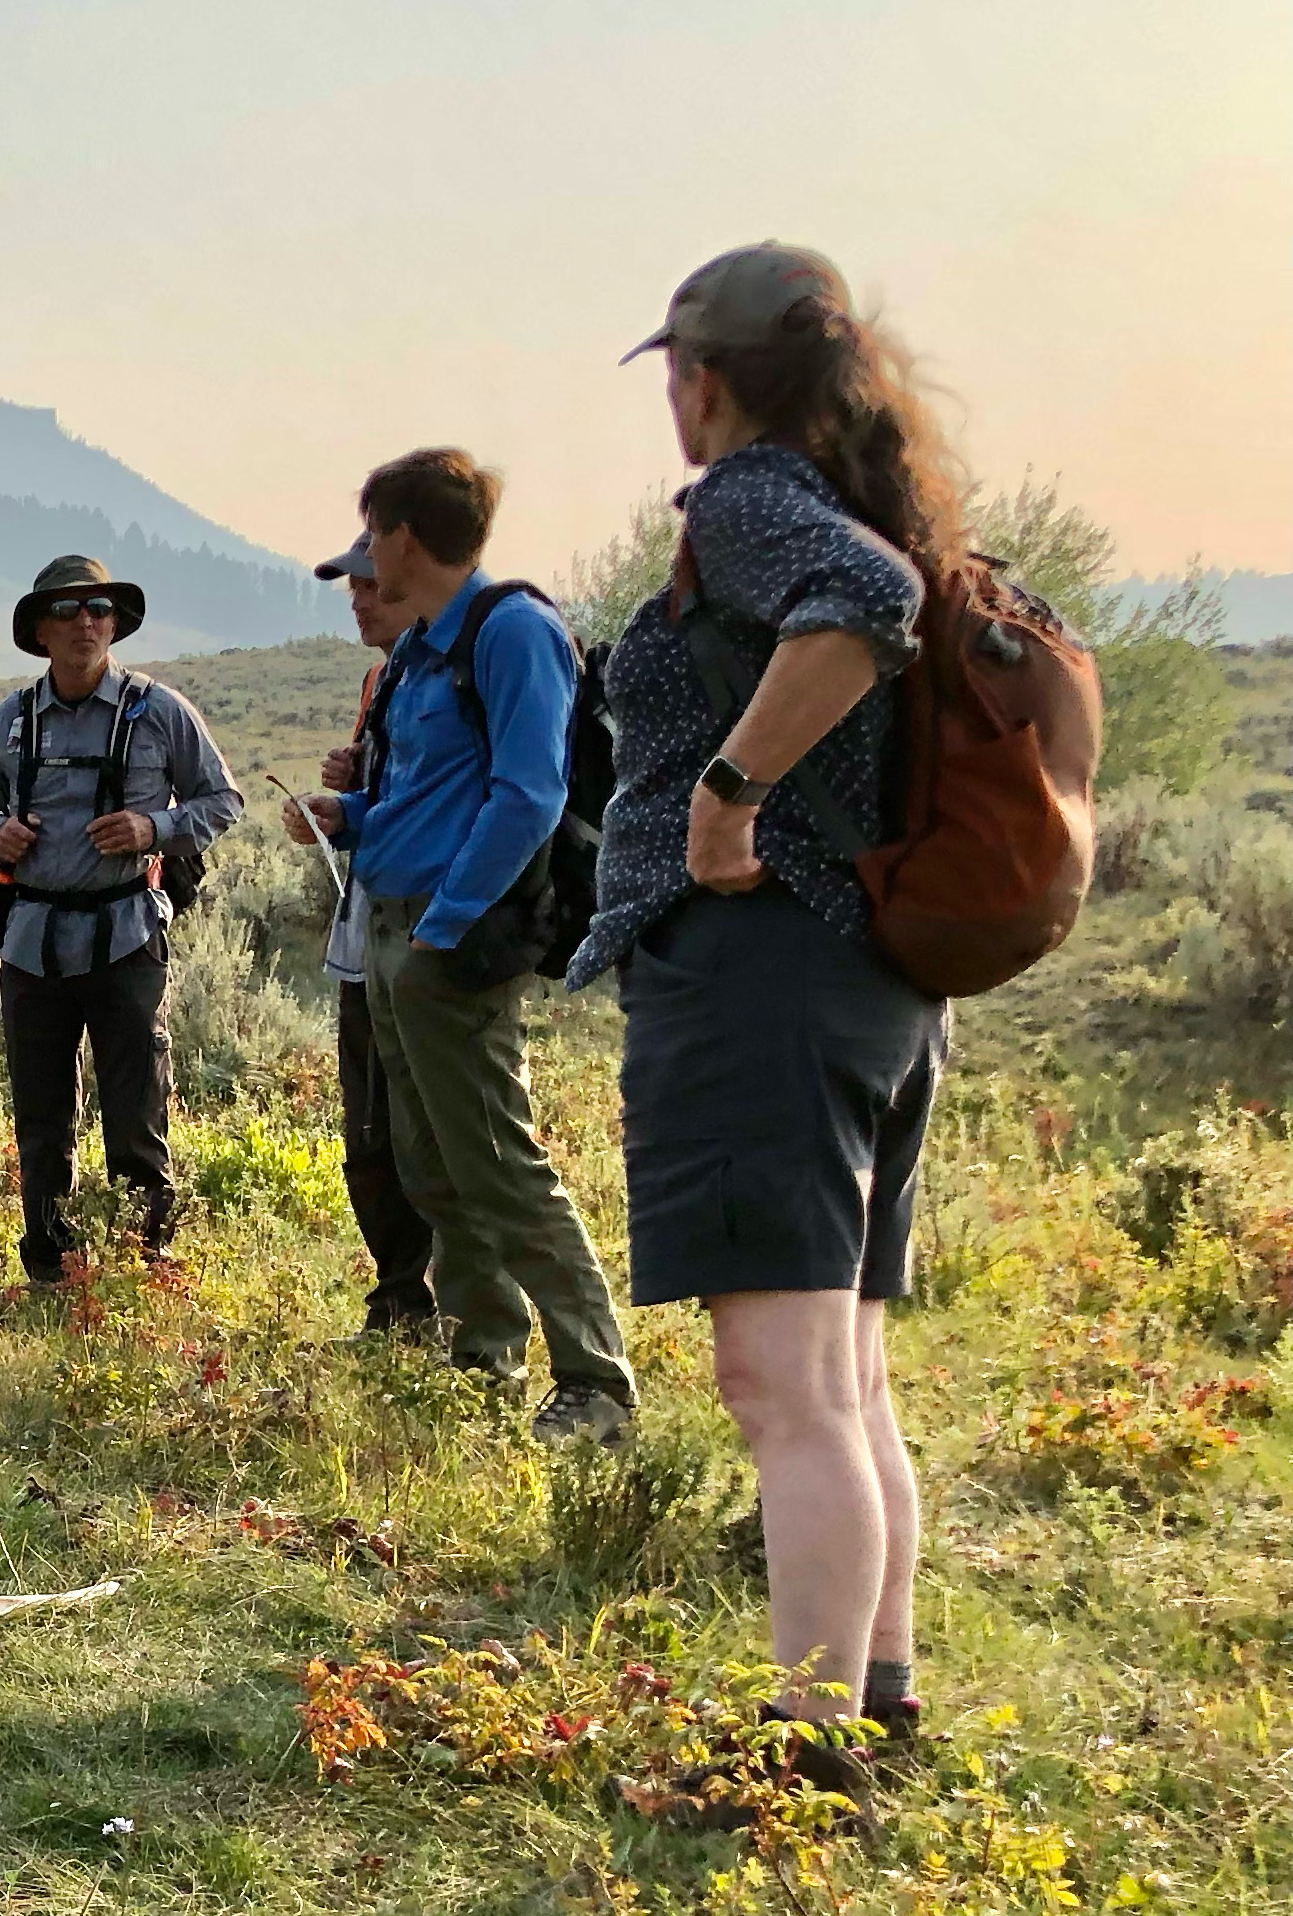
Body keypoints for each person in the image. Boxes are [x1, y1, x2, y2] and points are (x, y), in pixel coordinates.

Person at [574, 242, 964, 1773]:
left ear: (707, 374)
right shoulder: (855, 483)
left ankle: (809, 1751)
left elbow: (872, 604)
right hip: (865, 983)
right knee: (842, 1375)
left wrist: (728, 796)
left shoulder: (749, 499)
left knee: (781, 1386)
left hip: (765, 976)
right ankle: (878, 1693)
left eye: (675, 370)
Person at [284, 451, 634, 1444]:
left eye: (372, 537)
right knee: (431, 1163)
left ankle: (595, 1382)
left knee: (497, 1161)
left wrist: (447, 921)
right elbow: (417, 797)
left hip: (452, 937)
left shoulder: (512, 631)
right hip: (392, 928)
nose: (366, 563)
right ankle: (484, 1356)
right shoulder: (418, 654)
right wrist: (346, 814)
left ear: (402, 538)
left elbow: (530, 793)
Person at [0, 557, 243, 1284]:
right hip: (31, 940)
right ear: (42, 630)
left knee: (135, 1104)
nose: (86, 620)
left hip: (127, 933)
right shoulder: (10, 721)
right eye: (69, 609)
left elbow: (222, 801)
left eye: (99, 609)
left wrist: (152, 829)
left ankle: (146, 1259)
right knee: (41, 1116)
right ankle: (50, 1266)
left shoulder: (159, 710)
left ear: (114, 624)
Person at [305, 532, 440, 1332]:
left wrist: (361, 800)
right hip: (364, 935)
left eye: (368, 584)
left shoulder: (450, 677)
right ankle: (398, 1302)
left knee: (424, 1130)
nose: (356, 598)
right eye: (351, 587)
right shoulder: (379, 681)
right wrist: (345, 802)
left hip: (421, 933)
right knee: (368, 1131)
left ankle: (451, 1308)